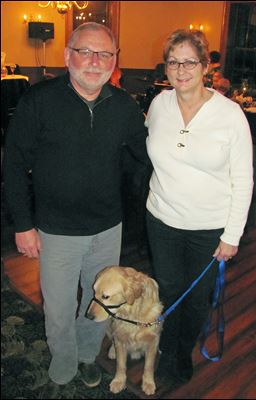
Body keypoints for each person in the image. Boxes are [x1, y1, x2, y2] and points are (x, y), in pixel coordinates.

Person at [2, 22, 149, 398]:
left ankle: (86, 356)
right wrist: (23, 224)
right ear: (68, 55)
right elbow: (14, 164)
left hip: (106, 227)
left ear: (115, 61)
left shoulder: (124, 107)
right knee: (59, 307)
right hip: (55, 229)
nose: (94, 61)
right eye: (85, 51)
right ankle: (64, 363)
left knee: (100, 302)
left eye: (105, 54)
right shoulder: (39, 100)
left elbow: (142, 160)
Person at [145, 29, 253, 383]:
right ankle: (165, 349)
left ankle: (181, 351)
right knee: (169, 289)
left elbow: (244, 179)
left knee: (196, 298)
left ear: (205, 65)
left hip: (209, 227)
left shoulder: (230, 114)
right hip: (161, 220)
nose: (180, 69)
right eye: (173, 61)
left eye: (190, 61)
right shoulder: (159, 104)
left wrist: (232, 235)